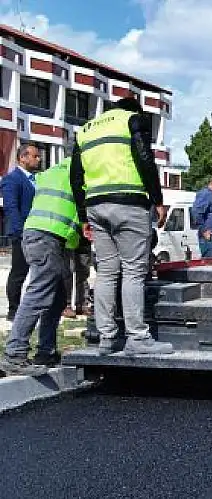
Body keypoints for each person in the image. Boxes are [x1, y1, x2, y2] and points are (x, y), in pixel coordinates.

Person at [71, 96, 172, 355]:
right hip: (128, 203)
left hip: (96, 205)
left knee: (106, 272)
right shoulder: (132, 120)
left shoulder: (85, 129)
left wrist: (83, 215)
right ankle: (137, 337)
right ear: (134, 109)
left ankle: (106, 338)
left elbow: (76, 176)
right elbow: (144, 158)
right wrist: (157, 199)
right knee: (133, 271)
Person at [0, 157, 85, 376]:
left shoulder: (54, 171)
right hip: (47, 237)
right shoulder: (82, 171)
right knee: (38, 294)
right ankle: (15, 354)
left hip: (43, 235)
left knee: (57, 298)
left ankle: (46, 352)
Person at [2, 143, 42, 320]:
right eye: (35, 156)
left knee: (37, 272)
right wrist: (20, 231)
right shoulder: (13, 179)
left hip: (37, 232)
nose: (39, 159)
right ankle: (13, 309)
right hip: (22, 233)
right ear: (23, 158)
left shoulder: (36, 179)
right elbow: (11, 208)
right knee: (19, 272)